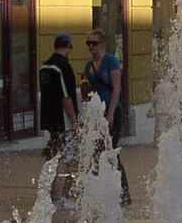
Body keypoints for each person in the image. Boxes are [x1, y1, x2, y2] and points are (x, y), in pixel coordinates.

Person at [82, 28, 130, 205]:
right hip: (96, 112)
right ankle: (102, 190)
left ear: (102, 44)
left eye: (94, 43)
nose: (91, 47)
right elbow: (88, 91)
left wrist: (110, 114)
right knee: (97, 151)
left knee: (110, 151)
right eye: (88, 43)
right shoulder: (89, 65)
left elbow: (116, 87)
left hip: (111, 110)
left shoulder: (110, 61)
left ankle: (123, 193)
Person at [39, 34, 79, 206]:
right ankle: (58, 196)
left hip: (48, 117)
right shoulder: (61, 66)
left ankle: (50, 191)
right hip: (62, 119)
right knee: (64, 156)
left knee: (54, 154)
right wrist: (74, 120)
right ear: (69, 45)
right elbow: (66, 97)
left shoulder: (45, 66)